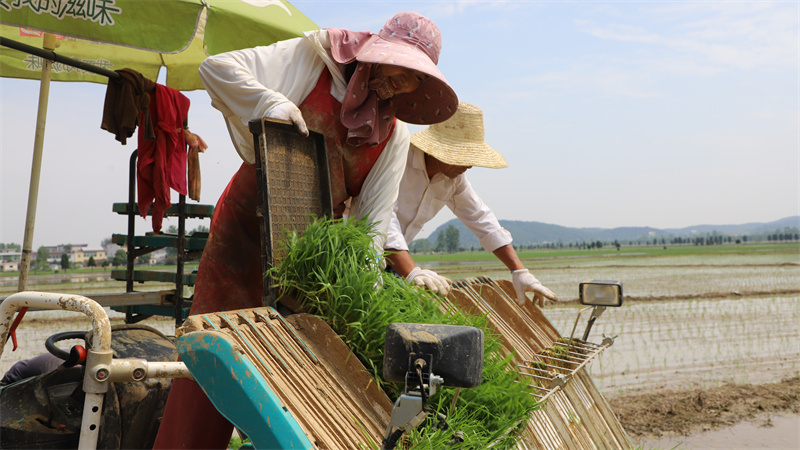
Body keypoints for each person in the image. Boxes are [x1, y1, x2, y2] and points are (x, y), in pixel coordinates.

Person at [153, 12, 457, 449]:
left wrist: (375, 287)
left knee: (295, 381)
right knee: (211, 359)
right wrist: (267, 104)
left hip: (308, 263)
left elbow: (370, 228)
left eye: (412, 80)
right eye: (397, 70)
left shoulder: (393, 137)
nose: (397, 85)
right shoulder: (315, 59)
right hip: (245, 232)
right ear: (375, 54)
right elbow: (215, 68)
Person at [384, 102, 559, 307]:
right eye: (463, 157)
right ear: (439, 150)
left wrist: (519, 271)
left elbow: (481, 218)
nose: (469, 165)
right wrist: (412, 271)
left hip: (392, 263)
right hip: (357, 254)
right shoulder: (397, 159)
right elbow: (383, 217)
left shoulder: (453, 178)